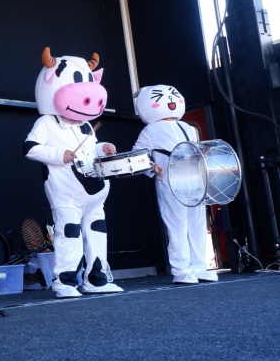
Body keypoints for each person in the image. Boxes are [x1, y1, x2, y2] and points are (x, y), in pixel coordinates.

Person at [23, 47, 124, 298]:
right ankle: (65, 282)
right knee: (69, 233)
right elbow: (30, 148)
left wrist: (103, 147)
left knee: (97, 234)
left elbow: (90, 150)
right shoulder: (47, 122)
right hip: (65, 193)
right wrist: (60, 154)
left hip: (94, 193)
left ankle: (97, 280)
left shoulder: (86, 124)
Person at [132, 85, 218, 284]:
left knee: (197, 224)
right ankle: (181, 269)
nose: (170, 102)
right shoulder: (150, 130)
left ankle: (198, 266)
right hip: (169, 182)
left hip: (195, 180)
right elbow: (137, 155)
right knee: (176, 225)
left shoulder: (188, 127)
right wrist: (150, 167)